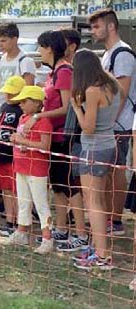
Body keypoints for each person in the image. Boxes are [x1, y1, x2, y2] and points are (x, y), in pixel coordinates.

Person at [31, 30, 87, 250]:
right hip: (53, 136)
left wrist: (38, 115)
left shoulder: (64, 71)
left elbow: (66, 107)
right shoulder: (52, 72)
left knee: (70, 186)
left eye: (41, 47)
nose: (39, 52)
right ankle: (62, 229)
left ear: (50, 48)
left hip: (65, 136)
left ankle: (81, 233)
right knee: (58, 186)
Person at [70, 49, 119, 271]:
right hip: (108, 143)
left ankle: (102, 255)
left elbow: (88, 128)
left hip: (93, 148)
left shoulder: (91, 90)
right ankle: (98, 248)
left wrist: (76, 107)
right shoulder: (111, 84)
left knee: (93, 202)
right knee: (98, 200)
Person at [90, 8, 134, 237]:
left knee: (115, 172)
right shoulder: (108, 54)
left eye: (97, 26)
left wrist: (108, 122)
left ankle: (115, 220)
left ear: (111, 26)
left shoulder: (123, 54)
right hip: (109, 125)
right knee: (106, 173)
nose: (93, 31)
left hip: (120, 125)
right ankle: (106, 217)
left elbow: (122, 93)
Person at [0, 86, 53, 253]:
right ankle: (22, 231)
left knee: (41, 203)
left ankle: (47, 238)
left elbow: (45, 145)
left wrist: (23, 141)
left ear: (37, 103)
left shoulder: (43, 122)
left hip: (36, 168)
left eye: (24, 101)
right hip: (21, 165)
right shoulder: (23, 118)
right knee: (23, 201)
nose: (21, 104)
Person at [0, 76, 26, 237]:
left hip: (13, 156)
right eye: (8, 92)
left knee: (16, 190)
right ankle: (9, 220)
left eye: (13, 93)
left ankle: (20, 223)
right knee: (5, 188)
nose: (9, 96)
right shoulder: (4, 106)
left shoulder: (22, 110)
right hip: (1, 153)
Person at [0, 23, 37, 103]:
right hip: (2, 108)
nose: (0, 44)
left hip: (18, 107)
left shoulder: (25, 61)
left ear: (14, 39)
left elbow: (28, 91)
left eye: (3, 41)